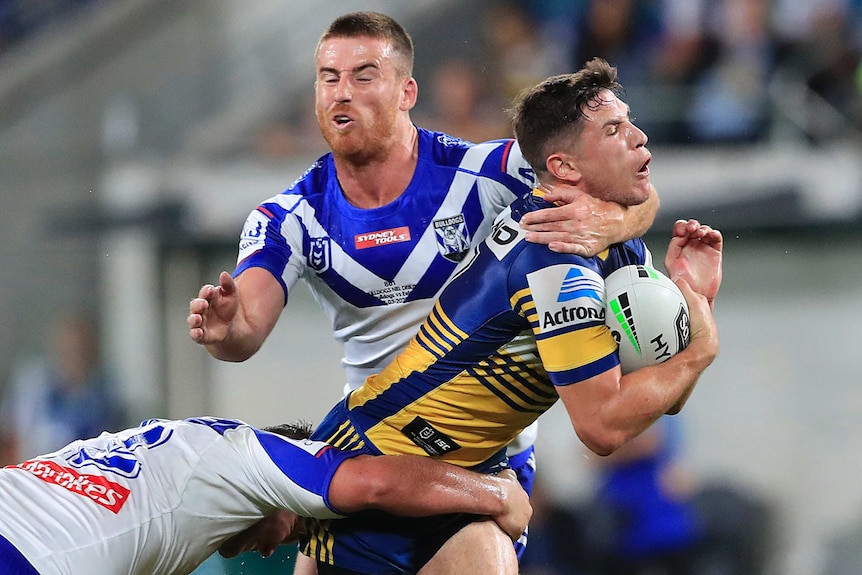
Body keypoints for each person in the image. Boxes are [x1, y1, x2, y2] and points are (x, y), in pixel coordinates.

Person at [187, 11, 658, 572]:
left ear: (407, 90)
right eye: (328, 77)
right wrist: (225, 330)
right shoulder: (290, 215)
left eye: (364, 76)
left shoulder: (485, 172)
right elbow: (246, 327)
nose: (342, 93)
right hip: (369, 450)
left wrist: (613, 225)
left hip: (482, 457)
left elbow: (626, 187)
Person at [256, 58, 720, 575]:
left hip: (457, 471)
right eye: (614, 129)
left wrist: (692, 304)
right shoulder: (552, 257)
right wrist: (701, 348)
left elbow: (657, 402)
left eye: (630, 121)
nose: (639, 137)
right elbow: (603, 427)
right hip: (384, 457)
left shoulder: (616, 248)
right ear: (564, 166)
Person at [0, 416, 531, 575]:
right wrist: (497, 494)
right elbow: (375, 480)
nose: (265, 549)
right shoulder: (245, 453)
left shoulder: (151, 442)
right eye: (301, 528)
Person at [0, 311, 125, 466]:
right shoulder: (33, 385)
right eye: (69, 346)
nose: (73, 350)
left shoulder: (105, 394)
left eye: (80, 347)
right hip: (34, 470)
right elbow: (11, 434)